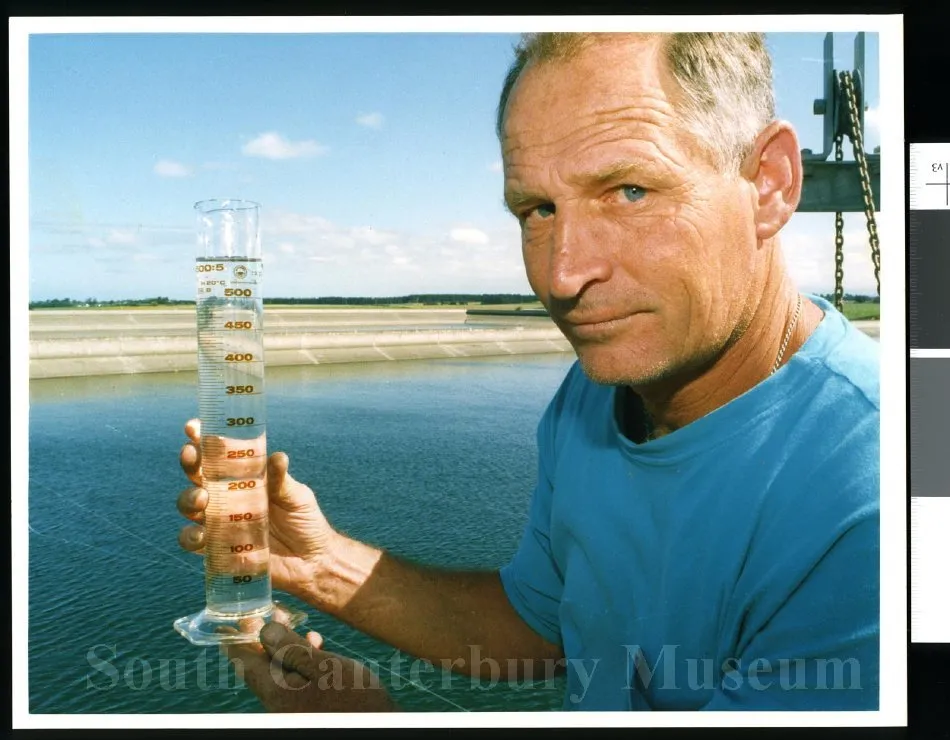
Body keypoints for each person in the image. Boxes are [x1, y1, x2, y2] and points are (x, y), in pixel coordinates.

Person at [177, 32, 880, 712]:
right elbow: (544, 622)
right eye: (537, 209)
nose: (564, 274)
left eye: (629, 191)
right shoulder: (598, 394)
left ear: (770, 184)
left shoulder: (874, 505)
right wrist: (320, 563)